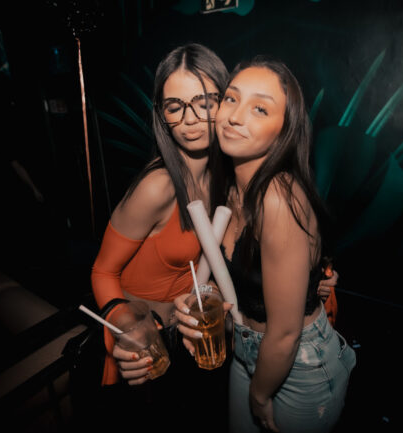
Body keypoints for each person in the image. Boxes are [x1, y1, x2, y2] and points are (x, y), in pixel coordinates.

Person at [89, 43, 339, 430]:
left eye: (205, 102)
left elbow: (258, 255)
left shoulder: (231, 181)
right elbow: (103, 272)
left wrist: (314, 275)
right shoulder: (159, 186)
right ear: (162, 115)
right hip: (154, 338)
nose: (190, 120)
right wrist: (129, 327)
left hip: (206, 338)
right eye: (175, 106)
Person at [175, 56, 356, 433]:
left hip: (298, 364)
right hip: (248, 351)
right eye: (231, 99)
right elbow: (238, 279)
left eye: (260, 108)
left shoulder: (278, 199)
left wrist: (259, 396)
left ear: (284, 130)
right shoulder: (230, 186)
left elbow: (286, 333)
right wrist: (203, 301)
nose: (235, 116)